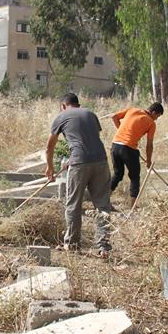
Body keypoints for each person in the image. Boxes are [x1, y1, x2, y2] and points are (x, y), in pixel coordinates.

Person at [45, 93, 113, 257]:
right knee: (102, 205)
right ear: (78, 104)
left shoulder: (61, 117)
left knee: (74, 204)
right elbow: (90, 139)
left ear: (63, 105)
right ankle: (103, 247)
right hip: (101, 161)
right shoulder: (91, 114)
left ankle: (72, 244)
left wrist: (50, 167)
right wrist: (72, 158)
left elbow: (50, 146)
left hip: (79, 163)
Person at [109, 102, 164, 207]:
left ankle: (103, 200)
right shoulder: (151, 123)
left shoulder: (132, 110)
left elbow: (114, 117)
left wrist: (121, 131)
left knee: (118, 174)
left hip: (115, 145)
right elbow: (149, 144)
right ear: (153, 112)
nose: (156, 119)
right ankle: (133, 206)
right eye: (157, 116)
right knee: (134, 177)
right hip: (129, 149)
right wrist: (148, 161)